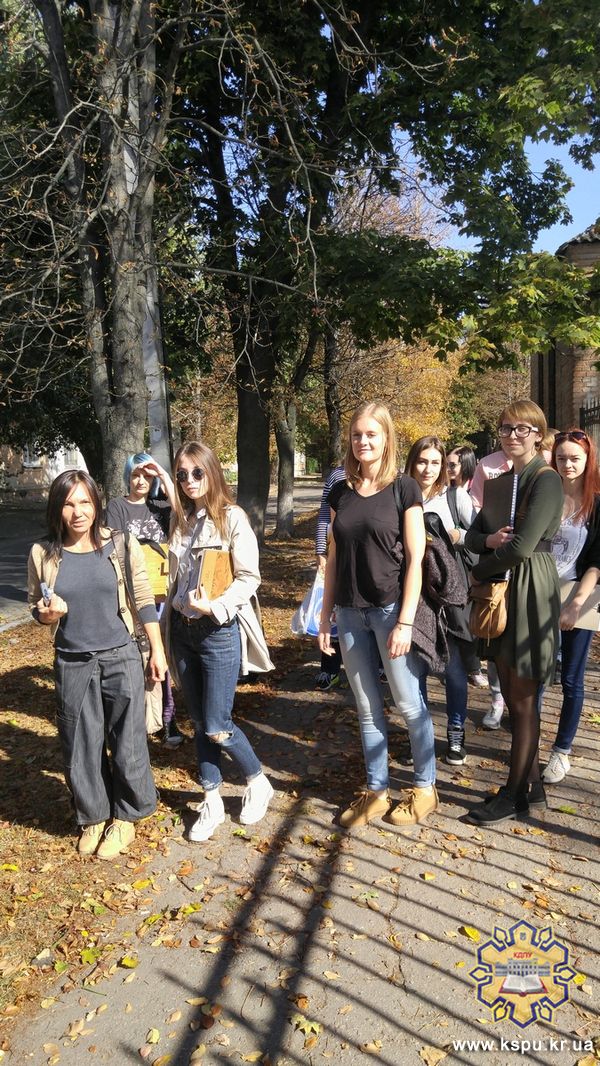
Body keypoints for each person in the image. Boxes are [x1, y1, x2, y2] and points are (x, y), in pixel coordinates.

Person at [27, 470, 166, 858]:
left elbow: (143, 599)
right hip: (73, 660)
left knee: (128, 741)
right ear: (57, 508)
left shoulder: (119, 543)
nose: (78, 512)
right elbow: (36, 604)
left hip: (121, 654)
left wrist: (157, 650)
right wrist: (45, 615)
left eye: (85, 502)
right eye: (69, 503)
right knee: (79, 744)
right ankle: (93, 815)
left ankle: (126, 816)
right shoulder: (43, 553)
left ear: (96, 503)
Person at [318, 401, 438, 828]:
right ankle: (376, 790)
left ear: (386, 438)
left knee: (408, 703)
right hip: (350, 613)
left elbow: (416, 559)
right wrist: (325, 615)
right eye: (357, 434)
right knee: (367, 707)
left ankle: (425, 787)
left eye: (371, 434)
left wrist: (405, 621)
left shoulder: (405, 488)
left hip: (390, 611)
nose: (363, 441)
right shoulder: (340, 491)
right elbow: (333, 557)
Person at [164, 441, 274, 842]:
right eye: (181, 474)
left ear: (212, 471)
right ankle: (211, 800)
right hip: (182, 632)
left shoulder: (232, 518)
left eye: (197, 472)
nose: (189, 481)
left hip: (217, 633)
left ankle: (257, 780)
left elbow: (249, 577)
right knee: (198, 723)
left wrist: (215, 607)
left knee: (216, 725)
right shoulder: (181, 521)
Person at [464, 400, 563, 825]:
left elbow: (523, 547)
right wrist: (487, 544)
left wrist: (478, 571)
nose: (513, 435)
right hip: (502, 588)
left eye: (523, 428)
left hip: (529, 588)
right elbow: (472, 536)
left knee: (522, 701)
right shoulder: (502, 481)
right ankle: (533, 788)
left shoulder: (547, 479)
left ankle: (514, 794)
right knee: (509, 687)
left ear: (538, 434)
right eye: (506, 428)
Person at [404, 436, 477, 764]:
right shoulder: (399, 494)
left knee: (454, 670)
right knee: (415, 669)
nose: (429, 469)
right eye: (422, 461)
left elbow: (478, 537)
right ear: (412, 462)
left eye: (436, 462)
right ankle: (420, 738)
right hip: (412, 594)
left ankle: (456, 732)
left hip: (447, 595)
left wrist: (456, 537)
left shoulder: (454, 496)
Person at [105, 452, 183, 746]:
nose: (140, 481)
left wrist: (163, 475)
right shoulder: (117, 507)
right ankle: (138, 718)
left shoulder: (161, 507)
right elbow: (115, 548)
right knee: (139, 656)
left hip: (162, 594)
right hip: (132, 596)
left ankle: (168, 718)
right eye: (136, 475)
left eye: (147, 476)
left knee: (161, 654)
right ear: (128, 477)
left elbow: (183, 513)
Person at [543, 429, 600, 784]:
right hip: (540, 593)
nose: (567, 465)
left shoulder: (596, 504)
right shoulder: (546, 496)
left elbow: (596, 561)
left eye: (574, 458)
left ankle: (561, 751)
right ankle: (527, 743)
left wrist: (576, 604)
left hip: (580, 595)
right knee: (533, 673)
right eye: (561, 458)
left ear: (588, 460)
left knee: (571, 680)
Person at [314, 466, 346, 689]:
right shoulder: (337, 475)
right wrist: (320, 551)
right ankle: (330, 668)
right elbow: (325, 515)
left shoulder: (387, 475)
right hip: (337, 553)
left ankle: (380, 666)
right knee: (332, 611)